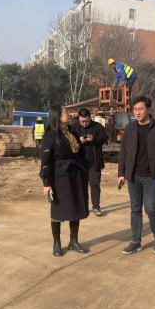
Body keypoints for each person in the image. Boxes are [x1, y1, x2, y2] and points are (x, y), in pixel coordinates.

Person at [118, 95, 155, 255]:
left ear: (148, 109)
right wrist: (121, 173)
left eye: (140, 109)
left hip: (151, 175)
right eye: (135, 110)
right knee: (135, 209)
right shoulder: (130, 128)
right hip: (133, 175)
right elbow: (123, 152)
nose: (137, 112)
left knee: (151, 207)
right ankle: (136, 241)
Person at [40, 105, 90, 257]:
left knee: (76, 207)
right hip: (59, 176)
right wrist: (46, 183)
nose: (68, 114)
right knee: (58, 210)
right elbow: (45, 161)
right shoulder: (50, 135)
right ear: (57, 115)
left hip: (75, 174)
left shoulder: (71, 132)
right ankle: (57, 243)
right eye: (65, 112)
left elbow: (78, 151)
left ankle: (73, 241)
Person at [74, 109, 108, 216]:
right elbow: (69, 142)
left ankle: (96, 207)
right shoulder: (74, 127)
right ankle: (83, 207)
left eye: (87, 121)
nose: (84, 123)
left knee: (94, 184)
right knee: (81, 186)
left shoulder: (97, 127)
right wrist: (79, 141)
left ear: (90, 118)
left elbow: (104, 138)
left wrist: (94, 139)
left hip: (94, 162)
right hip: (80, 163)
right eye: (82, 121)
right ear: (78, 119)